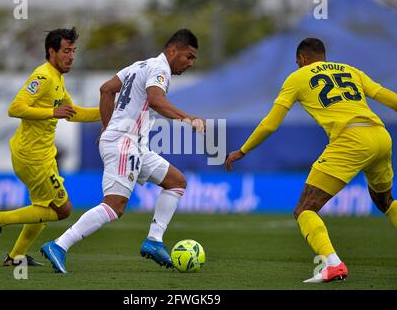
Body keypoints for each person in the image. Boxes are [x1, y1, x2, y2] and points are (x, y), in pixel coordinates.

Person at [225, 38, 397, 283]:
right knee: (386, 202)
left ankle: (333, 264)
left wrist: (242, 150)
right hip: (380, 136)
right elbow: (386, 96)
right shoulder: (350, 70)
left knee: (304, 209)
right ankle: (333, 264)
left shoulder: (298, 77)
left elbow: (270, 123)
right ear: (324, 56)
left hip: (350, 140)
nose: (297, 66)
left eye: (297, 63)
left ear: (302, 59)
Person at [40, 28, 205, 274]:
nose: (190, 63)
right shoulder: (160, 69)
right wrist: (188, 118)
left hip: (135, 144)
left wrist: (107, 127)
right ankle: (59, 245)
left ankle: (154, 241)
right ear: (172, 51)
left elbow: (107, 89)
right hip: (124, 143)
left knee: (177, 182)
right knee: (114, 206)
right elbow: (156, 100)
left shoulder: (140, 65)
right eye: (188, 56)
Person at [0, 27, 101, 266]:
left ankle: (15, 257)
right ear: (51, 51)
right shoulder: (43, 76)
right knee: (62, 209)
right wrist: (52, 111)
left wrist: (108, 112)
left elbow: (72, 113)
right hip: (32, 157)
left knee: (42, 210)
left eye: (74, 51)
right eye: (66, 51)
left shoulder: (57, 78)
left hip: (42, 156)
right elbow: (15, 108)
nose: (72, 56)